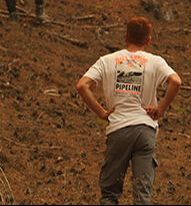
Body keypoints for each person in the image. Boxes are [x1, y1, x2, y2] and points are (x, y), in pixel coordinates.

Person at [76, 17, 182, 205]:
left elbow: (82, 85)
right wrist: (161, 108)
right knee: (142, 196)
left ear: (126, 37)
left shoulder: (106, 61)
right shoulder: (155, 62)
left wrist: (101, 112)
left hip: (119, 130)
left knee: (110, 194)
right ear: (148, 40)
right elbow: (176, 81)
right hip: (145, 130)